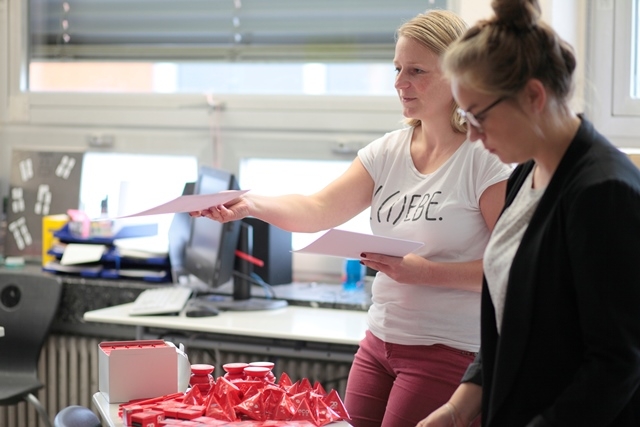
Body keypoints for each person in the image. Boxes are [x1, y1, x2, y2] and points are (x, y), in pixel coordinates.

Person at [192, 9, 512, 427]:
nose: (400, 83)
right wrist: (251, 205)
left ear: (458, 76)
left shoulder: (485, 159)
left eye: (416, 71)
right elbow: (318, 209)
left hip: (449, 349)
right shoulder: (388, 151)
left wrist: (425, 273)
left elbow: (511, 271)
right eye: (397, 69)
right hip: (379, 343)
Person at [417, 1, 640, 426]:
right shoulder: (525, 173)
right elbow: (513, 320)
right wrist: (457, 409)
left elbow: (617, 363)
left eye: (479, 116)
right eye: (465, 117)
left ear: (534, 96)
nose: (473, 135)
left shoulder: (604, 192)